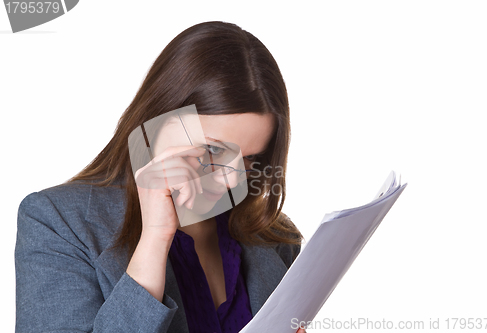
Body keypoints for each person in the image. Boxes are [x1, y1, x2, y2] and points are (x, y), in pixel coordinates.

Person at [15, 21, 307, 333]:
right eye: (212, 149)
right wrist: (154, 239)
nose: (231, 181)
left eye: (250, 158)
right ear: (155, 120)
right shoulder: (59, 222)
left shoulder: (273, 236)